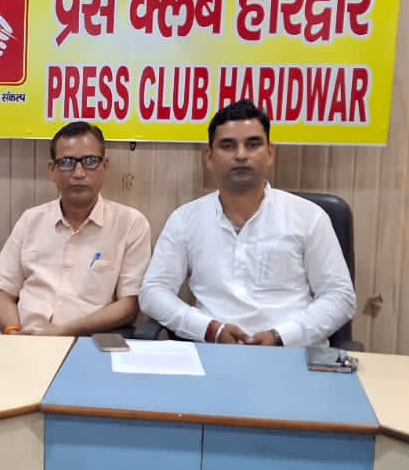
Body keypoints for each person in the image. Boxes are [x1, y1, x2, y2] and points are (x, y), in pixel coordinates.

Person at [139, 99, 356, 347]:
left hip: (292, 353)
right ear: (209, 157)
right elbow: (153, 292)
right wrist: (210, 329)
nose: (241, 155)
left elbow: (340, 297)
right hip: (214, 352)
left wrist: (281, 336)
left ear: (270, 153)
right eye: (228, 146)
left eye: (253, 144)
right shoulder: (186, 219)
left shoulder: (309, 216)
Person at [0, 122, 151, 336]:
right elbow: (3, 296)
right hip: (21, 339)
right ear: (52, 170)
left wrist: (62, 332)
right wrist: (12, 332)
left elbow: (129, 306)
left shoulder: (130, 224)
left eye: (90, 161)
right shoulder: (31, 220)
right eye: (67, 163)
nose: (79, 173)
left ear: (105, 166)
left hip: (85, 341)